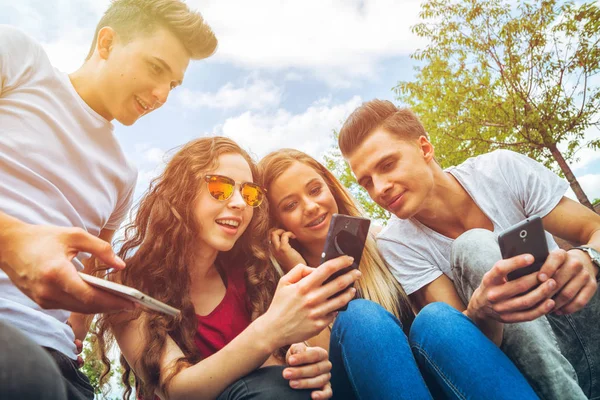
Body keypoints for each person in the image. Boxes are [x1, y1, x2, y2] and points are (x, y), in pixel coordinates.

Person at [0, 1, 217, 399]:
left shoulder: (122, 172)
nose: (161, 94)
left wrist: (81, 325)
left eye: (173, 83)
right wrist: (10, 239)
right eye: (156, 68)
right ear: (106, 42)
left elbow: (91, 267)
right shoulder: (20, 61)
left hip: (60, 360)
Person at [337, 99, 600, 400]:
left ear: (424, 149)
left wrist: (587, 258)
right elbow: (460, 343)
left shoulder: (501, 170)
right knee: (474, 245)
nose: (380, 188)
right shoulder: (396, 245)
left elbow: (594, 229)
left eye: (387, 165)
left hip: (578, 310)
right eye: (367, 182)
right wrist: (480, 311)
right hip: (523, 367)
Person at [258, 148, 540, 400]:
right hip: (349, 389)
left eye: (315, 190)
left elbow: (451, 332)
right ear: (276, 223)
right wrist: (302, 277)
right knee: (360, 317)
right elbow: (325, 369)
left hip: (424, 381)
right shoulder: (277, 288)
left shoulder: (386, 243)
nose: (310, 206)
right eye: (290, 205)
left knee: (437, 318)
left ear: (331, 189)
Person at [94, 137, 363, 400]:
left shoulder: (251, 273)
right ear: (181, 193)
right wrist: (270, 331)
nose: (239, 202)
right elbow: (176, 389)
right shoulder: (127, 282)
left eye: (249, 193)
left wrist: (305, 367)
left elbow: (278, 370)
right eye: (220, 187)